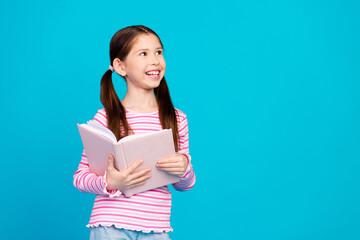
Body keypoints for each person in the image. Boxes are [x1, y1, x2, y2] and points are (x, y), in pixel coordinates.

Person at [73, 25, 196, 240]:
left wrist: (184, 167)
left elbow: (185, 184)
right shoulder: (104, 118)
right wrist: (111, 183)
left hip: (156, 228)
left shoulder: (177, 119)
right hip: (110, 225)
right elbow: (80, 178)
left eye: (159, 52)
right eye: (143, 54)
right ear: (120, 66)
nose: (155, 60)